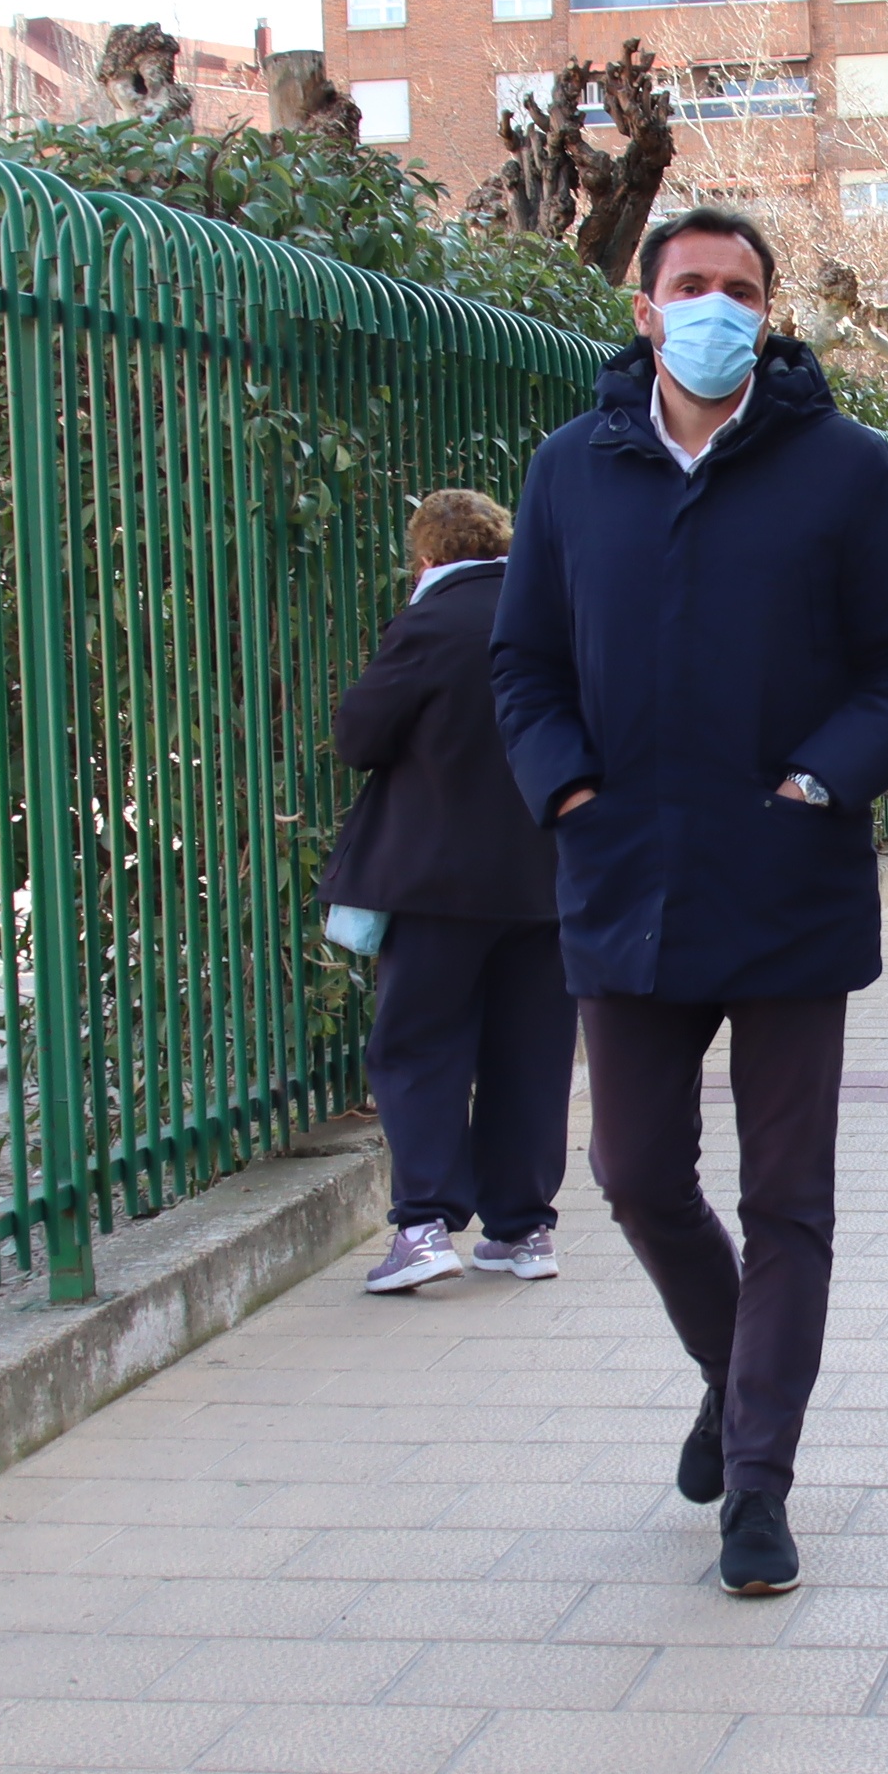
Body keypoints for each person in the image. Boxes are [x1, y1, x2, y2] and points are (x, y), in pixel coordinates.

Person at [489, 207, 888, 1600]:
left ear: (771, 312)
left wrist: (820, 782)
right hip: (623, 881)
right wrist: (569, 790)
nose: (715, 306)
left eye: (741, 288)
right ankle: (733, 1370)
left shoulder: (844, 469)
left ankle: (759, 1479)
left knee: (787, 1199)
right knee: (635, 1175)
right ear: (645, 309)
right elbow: (523, 665)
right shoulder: (571, 470)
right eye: (690, 284)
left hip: (785, 884)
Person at [321, 485, 572, 1294]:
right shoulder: (557, 614)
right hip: (547, 879)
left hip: (437, 884)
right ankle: (523, 1228)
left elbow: (358, 735)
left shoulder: (432, 622)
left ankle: (424, 1226)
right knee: (530, 1051)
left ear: (425, 556)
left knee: (419, 1045)